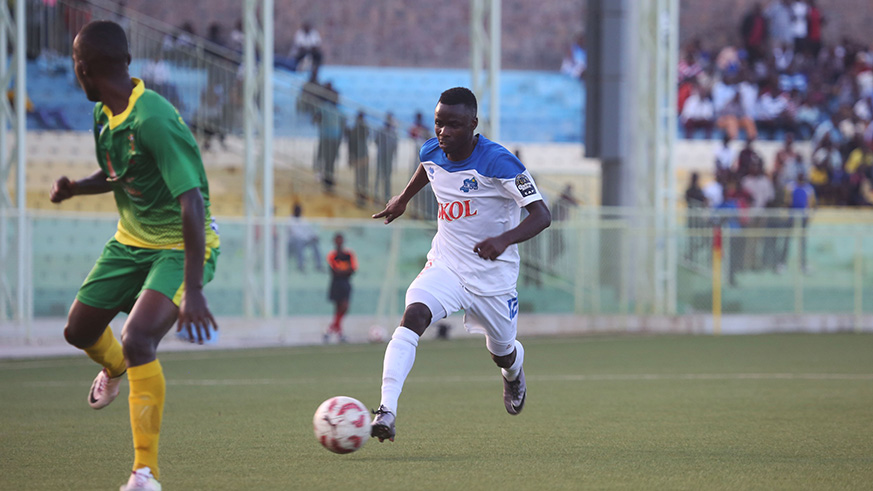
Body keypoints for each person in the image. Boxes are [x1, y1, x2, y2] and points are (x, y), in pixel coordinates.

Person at [49, 20, 220, 491]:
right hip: (130, 241)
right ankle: (116, 366)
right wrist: (75, 189)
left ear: (82, 70)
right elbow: (118, 172)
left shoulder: (155, 119)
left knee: (138, 337)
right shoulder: (105, 113)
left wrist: (196, 291)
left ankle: (145, 474)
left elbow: (193, 203)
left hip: (180, 246)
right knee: (78, 330)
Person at [369, 87, 551, 443]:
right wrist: (403, 199)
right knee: (413, 315)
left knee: (503, 352)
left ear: (473, 124)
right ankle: (386, 410)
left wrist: (503, 240)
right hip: (447, 265)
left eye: (453, 125)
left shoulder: (500, 162)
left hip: (492, 277)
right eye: (439, 124)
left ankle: (514, 373)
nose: (443, 133)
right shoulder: (433, 150)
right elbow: (428, 166)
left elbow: (542, 215)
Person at [325, 233, 357, 343]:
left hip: (346, 283)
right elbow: (335, 270)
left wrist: (343, 271)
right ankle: (339, 333)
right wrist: (345, 270)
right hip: (336, 283)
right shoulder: (332, 255)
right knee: (338, 308)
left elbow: (353, 269)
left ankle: (330, 330)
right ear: (334, 241)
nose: (339, 242)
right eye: (337, 240)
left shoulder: (349, 254)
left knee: (344, 307)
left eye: (341, 240)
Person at [287, 203, 323, 273]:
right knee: (299, 242)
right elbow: (295, 233)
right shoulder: (290, 220)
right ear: (294, 210)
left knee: (314, 243)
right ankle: (300, 265)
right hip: (293, 242)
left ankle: (319, 265)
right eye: (298, 210)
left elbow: (310, 230)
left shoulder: (303, 219)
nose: (299, 211)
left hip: (304, 240)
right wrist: (306, 237)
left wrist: (313, 236)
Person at [347, 111, 371, 206]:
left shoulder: (360, 129)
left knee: (362, 178)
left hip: (362, 156)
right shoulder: (356, 130)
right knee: (360, 179)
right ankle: (360, 198)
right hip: (359, 156)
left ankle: (362, 198)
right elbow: (351, 145)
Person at [374, 113, 398, 203]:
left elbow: (395, 146)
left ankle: (386, 197)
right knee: (378, 176)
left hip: (389, 157)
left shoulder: (393, 133)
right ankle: (376, 196)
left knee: (387, 177)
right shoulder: (381, 131)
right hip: (381, 156)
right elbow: (376, 141)